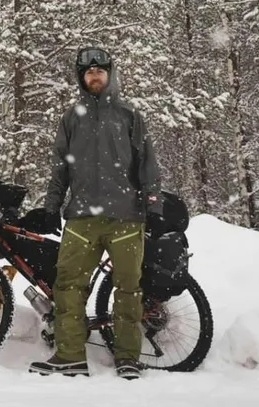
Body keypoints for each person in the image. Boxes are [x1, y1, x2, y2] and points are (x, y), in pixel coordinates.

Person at [19, 44, 161, 380]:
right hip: (81, 218)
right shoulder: (70, 118)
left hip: (126, 217)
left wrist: (151, 202)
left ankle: (127, 358)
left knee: (128, 289)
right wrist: (51, 208)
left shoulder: (129, 115)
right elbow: (60, 169)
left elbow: (147, 164)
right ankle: (70, 355)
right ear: (81, 78)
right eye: (88, 71)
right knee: (68, 286)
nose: (94, 75)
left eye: (99, 70)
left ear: (109, 73)